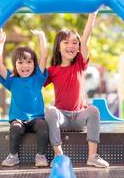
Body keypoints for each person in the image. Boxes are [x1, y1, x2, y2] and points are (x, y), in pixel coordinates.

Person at [44, 13, 109, 168]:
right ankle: (58, 155)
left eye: (75, 42)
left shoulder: (80, 64)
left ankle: (92, 156)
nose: (71, 46)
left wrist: (93, 15)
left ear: (79, 47)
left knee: (93, 110)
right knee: (50, 110)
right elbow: (34, 84)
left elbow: (86, 37)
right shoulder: (52, 70)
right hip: (62, 117)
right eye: (66, 42)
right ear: (58, 47)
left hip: (79, 116)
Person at [0, 29, 49, 167]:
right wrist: (0, 44)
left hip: (36, 119)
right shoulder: (12, 80)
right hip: (19, 119)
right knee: (15, 128)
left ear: (34, 65)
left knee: (43, 126)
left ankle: (40, 156)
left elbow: (44, 55)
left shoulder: (37, 77)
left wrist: (42, 36)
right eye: (20, 63)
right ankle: (13, 156)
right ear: (15, 66)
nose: (25, 66)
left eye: (29, 62)